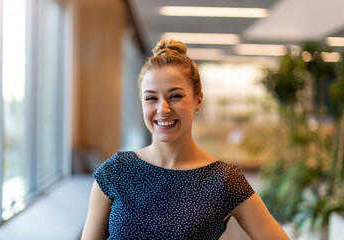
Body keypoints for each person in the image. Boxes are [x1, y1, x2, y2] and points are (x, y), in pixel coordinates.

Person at [81, 39, 290, 240]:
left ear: (198, 100)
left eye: (175, 96)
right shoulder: (115, 171)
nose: (162, 109)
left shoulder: (223, 179)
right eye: (151, 98)